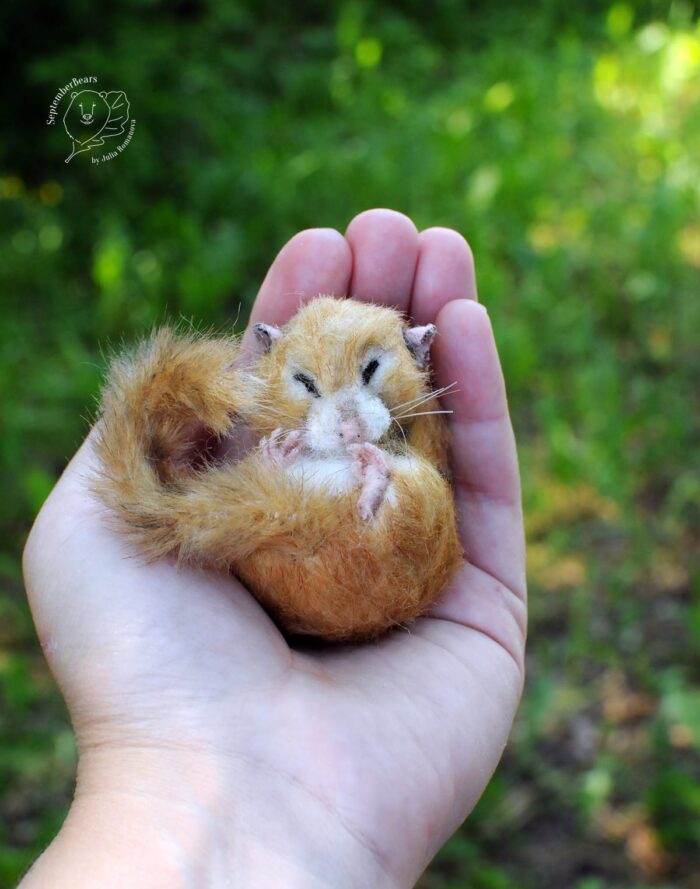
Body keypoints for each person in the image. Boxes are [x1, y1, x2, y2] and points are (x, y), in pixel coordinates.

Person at [20, 208, 526, 888]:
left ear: (416, 349)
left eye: (374, 374)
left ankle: (361, 491)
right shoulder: (288, 472)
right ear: (275, 359)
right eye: (310, 389)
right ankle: (344, 486)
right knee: (341, 489)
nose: (347, 418)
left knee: (410, 491)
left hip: (370, 527)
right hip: (311, 539)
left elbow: (423, 464)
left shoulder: (411, 443)